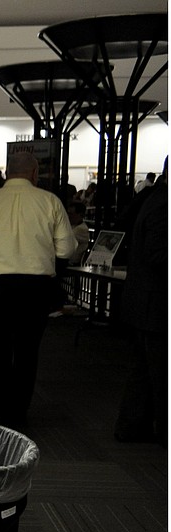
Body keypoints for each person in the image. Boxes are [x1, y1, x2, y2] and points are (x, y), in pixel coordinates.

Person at [0, 153, 77, 426]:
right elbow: (66, 249)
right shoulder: (50, 202)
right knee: (26, 350)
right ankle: (17, 411)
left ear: (7, 172)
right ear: (35, 174)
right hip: (34, 288)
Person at [115, 165, 167, 444]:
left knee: (146, 372)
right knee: (158, 374)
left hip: (146, 303)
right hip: (154, 304)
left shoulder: (152, 198)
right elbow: (157, 253)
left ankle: (132, 427)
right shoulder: (162, 204)